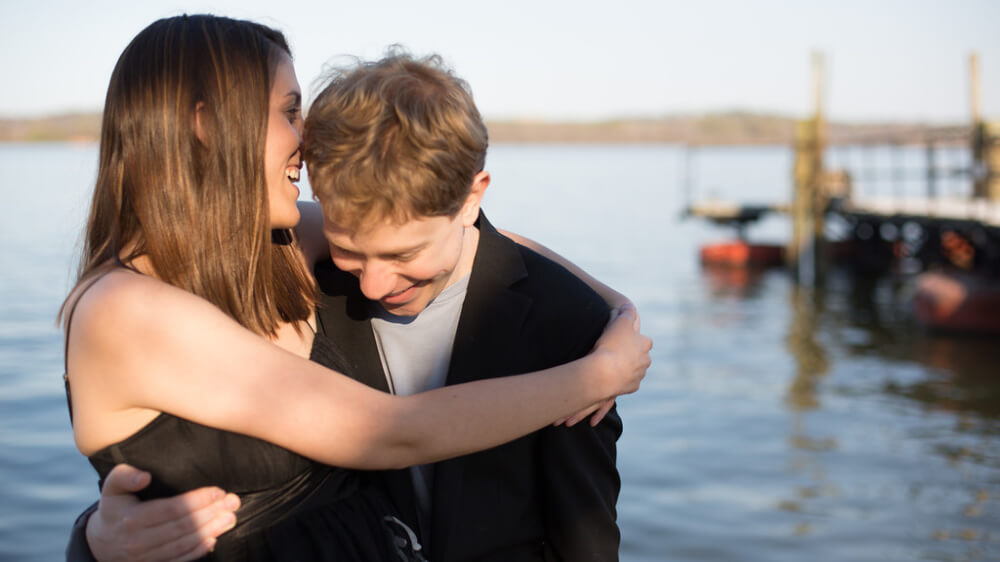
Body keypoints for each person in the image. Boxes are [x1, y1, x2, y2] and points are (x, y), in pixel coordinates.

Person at [61, 15, 650, 562]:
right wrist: (599, 376)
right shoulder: (124, 310)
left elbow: (466, 231)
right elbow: (389, 434)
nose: (305, 135)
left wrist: (613, 307)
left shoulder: (278, 246)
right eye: (290, 110)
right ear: (206, 126)